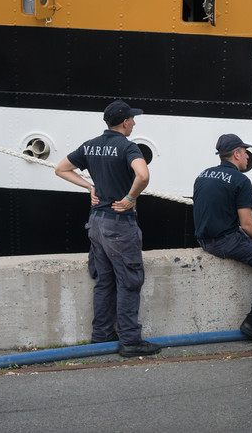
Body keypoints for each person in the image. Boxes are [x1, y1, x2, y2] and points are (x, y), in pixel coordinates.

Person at [54, 99, 161, 358]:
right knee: (129, 281)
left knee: (104, 282)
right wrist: (131, 198)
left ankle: (101, 336)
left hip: (96, 224)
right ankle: (130, 341)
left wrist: (89, 187)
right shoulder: (127, 147)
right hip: (119, 226)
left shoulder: (90, 145)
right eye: (132, 119)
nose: (134, 122)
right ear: (124, 122)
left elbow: (60, 169)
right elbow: (143, 175)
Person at [192, 133, 252, 342]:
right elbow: (247, 224)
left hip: (204, 240)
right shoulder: (241, 181)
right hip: (225, 241)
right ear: (236, 154)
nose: (248, 157)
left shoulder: (203, 174)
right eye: (245, 153)